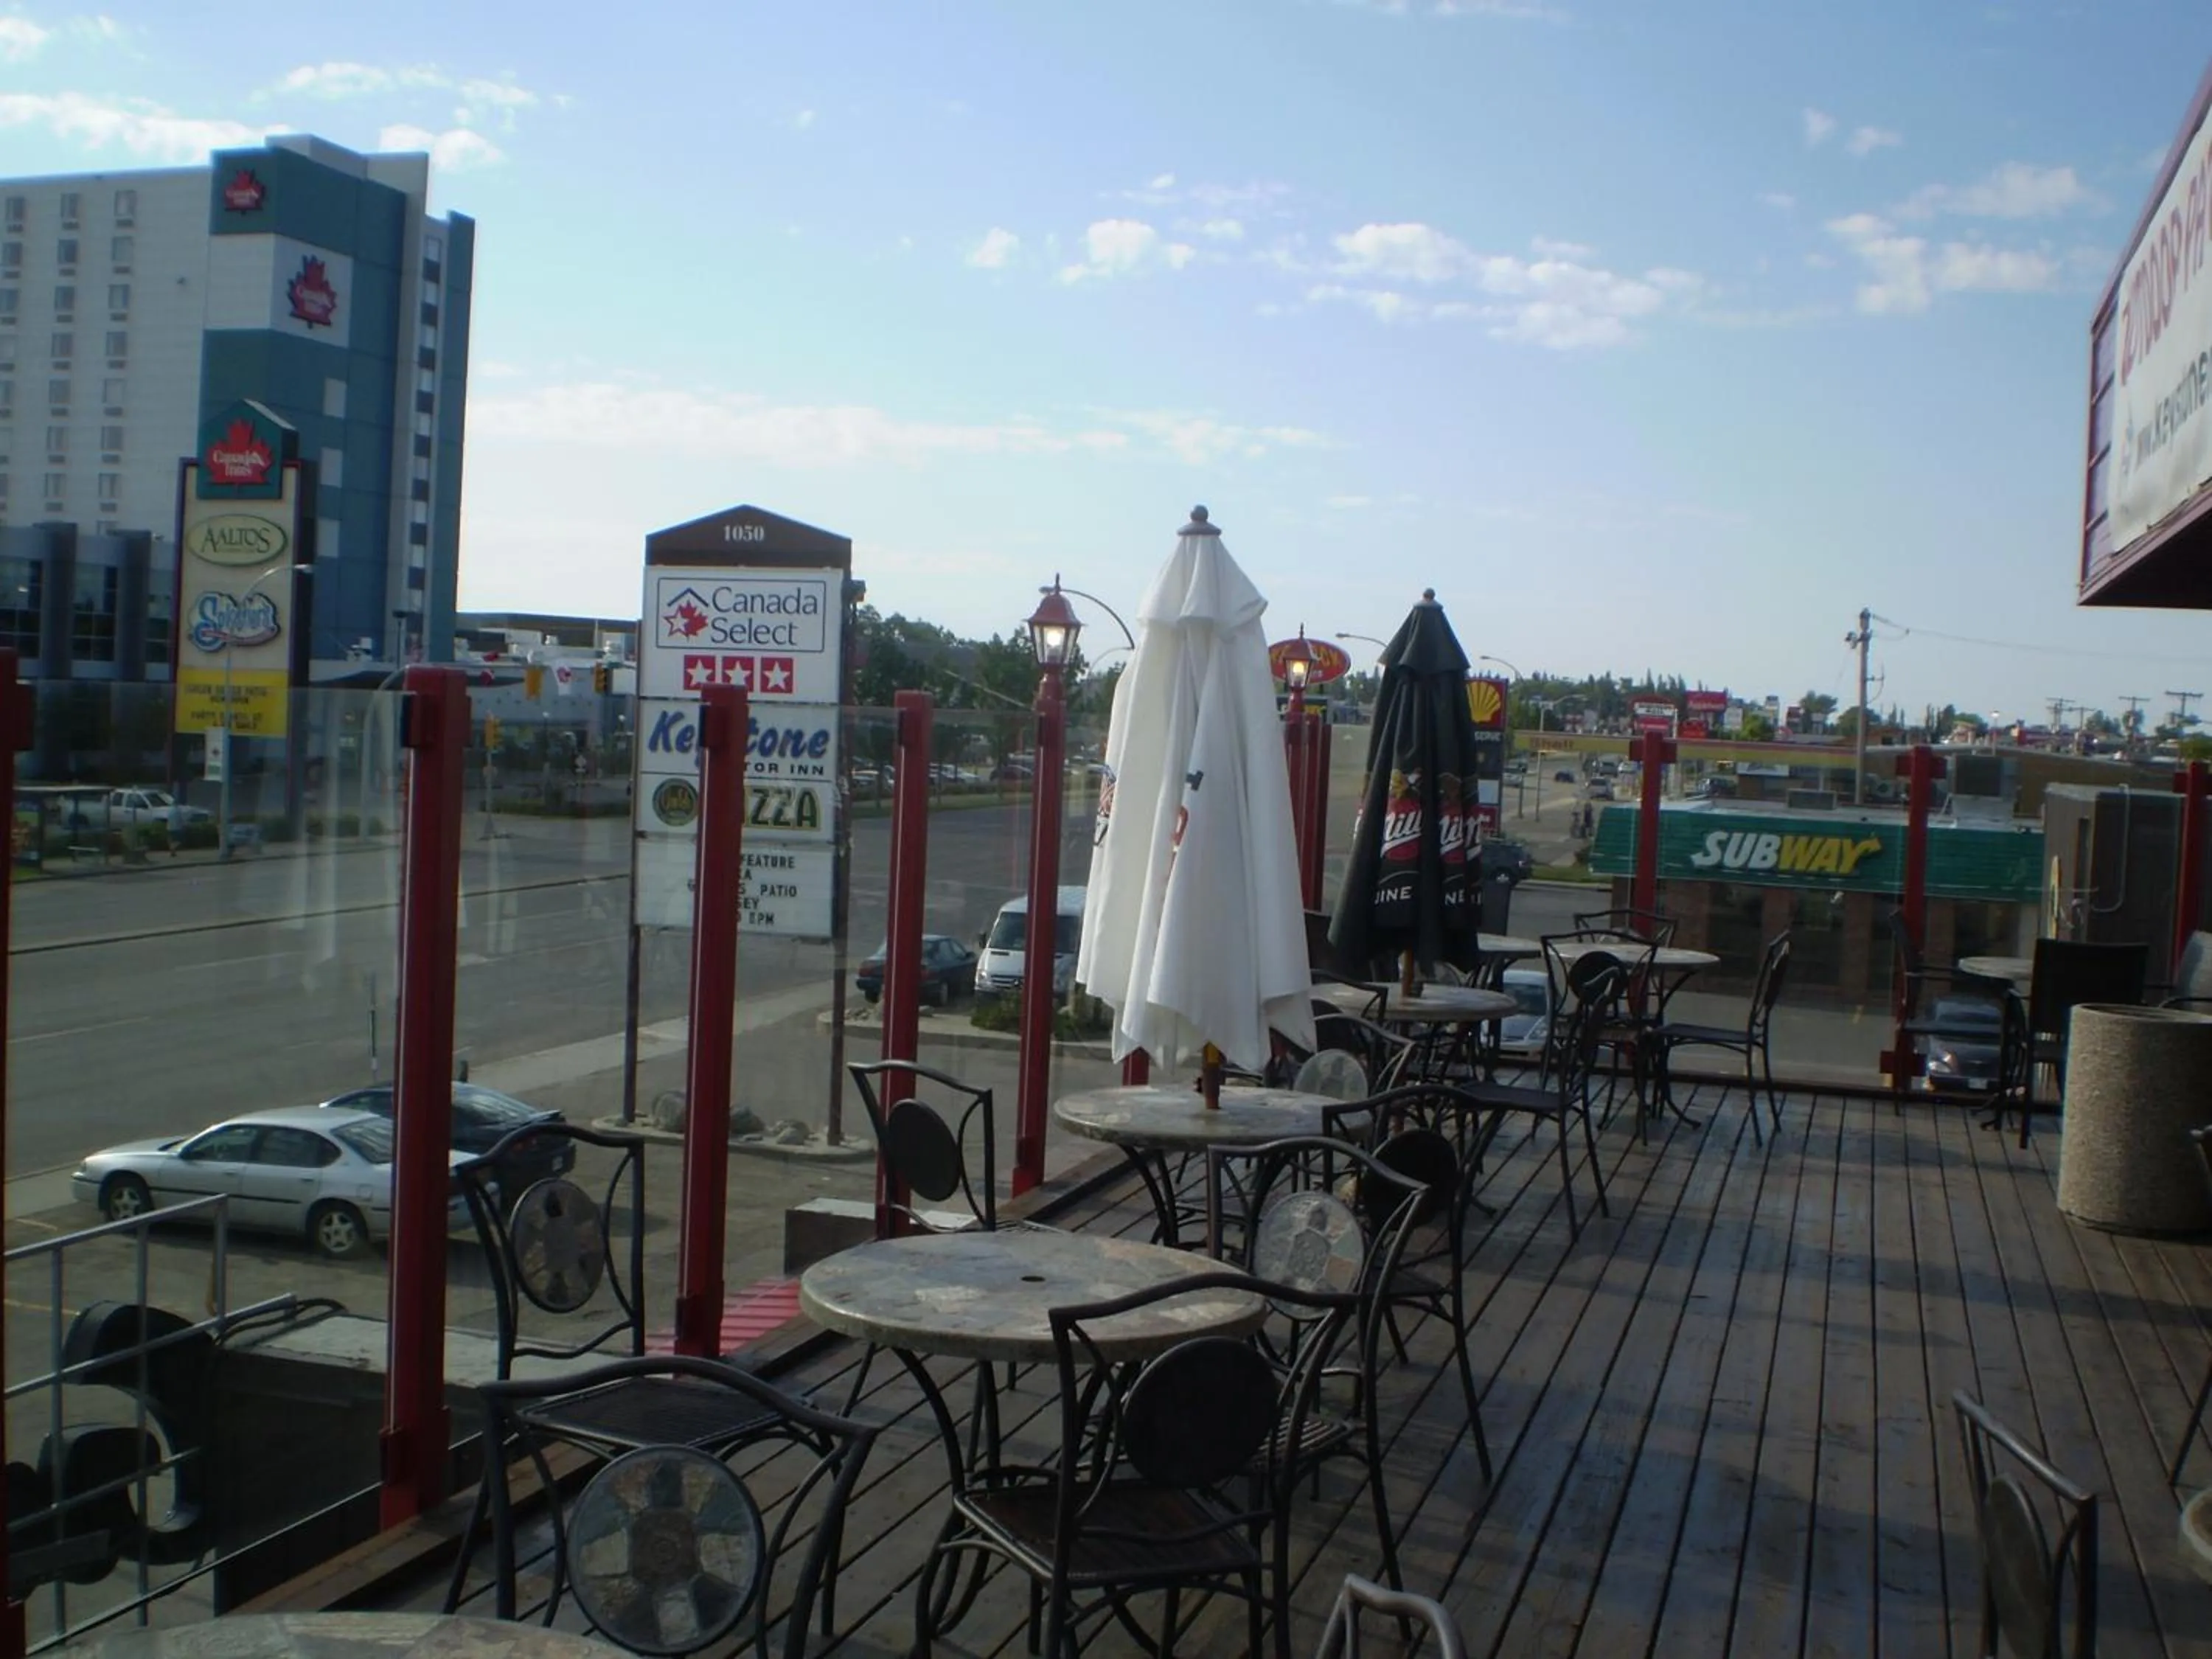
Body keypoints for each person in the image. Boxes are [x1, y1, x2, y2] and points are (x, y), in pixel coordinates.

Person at [167, 793, 187, 858]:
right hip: (177, 828)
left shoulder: (169, 810)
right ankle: (173, 849)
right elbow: (181, 819)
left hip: (169, 828)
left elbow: (168, 819)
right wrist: (183, 825)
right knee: (179, 841)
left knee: (172, 841)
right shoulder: (178, 810)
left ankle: (172, 852)